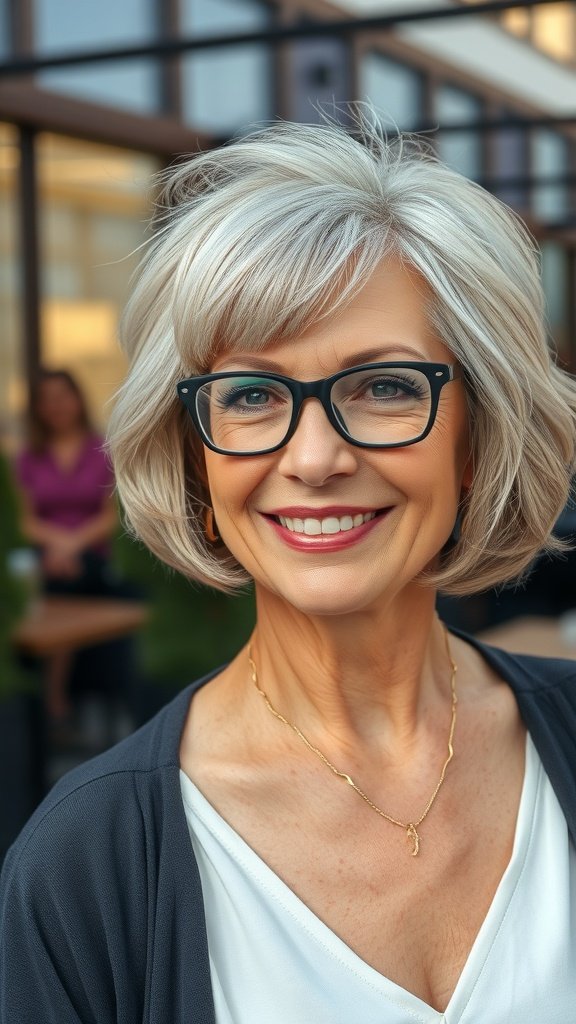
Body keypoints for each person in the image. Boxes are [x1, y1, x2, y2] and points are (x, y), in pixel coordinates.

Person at [2, 114, 576, 1023]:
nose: (313, 458)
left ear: (479, 435)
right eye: (252, 394)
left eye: (384, 386)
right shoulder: (85, 864)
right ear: (196, 457)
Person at [14, 369, 116, 719]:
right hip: (45, 554)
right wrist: (59, 544)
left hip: (92, 553)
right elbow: (25, 520)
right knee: (51, 575)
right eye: (46, 399)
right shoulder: (29, 457)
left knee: (69, 575)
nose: (56, 405)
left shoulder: (102, 450)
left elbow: (111, 516)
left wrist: (72, 545)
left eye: (62, 396)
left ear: (77, 399)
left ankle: (53, 698)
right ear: (37, 408)